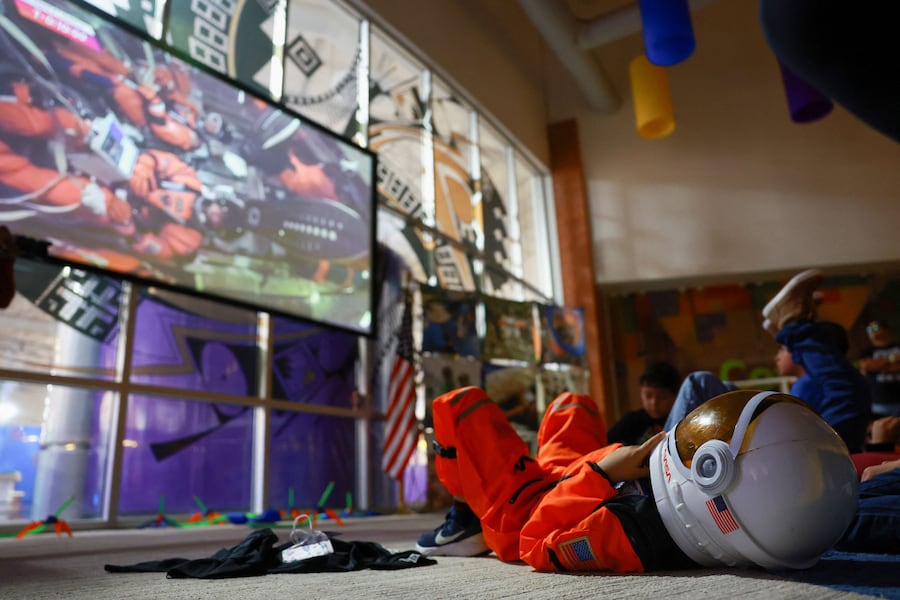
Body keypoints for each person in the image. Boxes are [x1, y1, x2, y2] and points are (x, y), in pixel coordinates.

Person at [416, 384, 858, 570]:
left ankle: (467, 516)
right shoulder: (703, 515)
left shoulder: (630, 533)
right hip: (585, 475)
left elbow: (534, 541)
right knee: (572, 404)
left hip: (526, 507)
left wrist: (599, 473)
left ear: (712, 476)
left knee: (460, 406)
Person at [665, 271, 871, 454]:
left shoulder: (807, 384)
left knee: (700, 382)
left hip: (798, 451)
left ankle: (794, 324)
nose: (777, 356)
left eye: (783, 348)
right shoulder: (809, 384)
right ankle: (793, 324)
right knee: (725, 388)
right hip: (807, 447)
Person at [607, 361, 680, 445]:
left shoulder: (678, 421)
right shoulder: (632, 421)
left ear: (675, 396)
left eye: (662, 397)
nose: (654, 403)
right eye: (648, 396)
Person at [858, 320, 900, 418]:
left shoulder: (898, 346)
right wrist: (892, 358)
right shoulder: (867, 352)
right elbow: (866, 366)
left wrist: (878, 365)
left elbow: (871, 366)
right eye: (868, 329)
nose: (871, 331)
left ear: (886, 329)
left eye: (875, 327)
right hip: (880, 403)